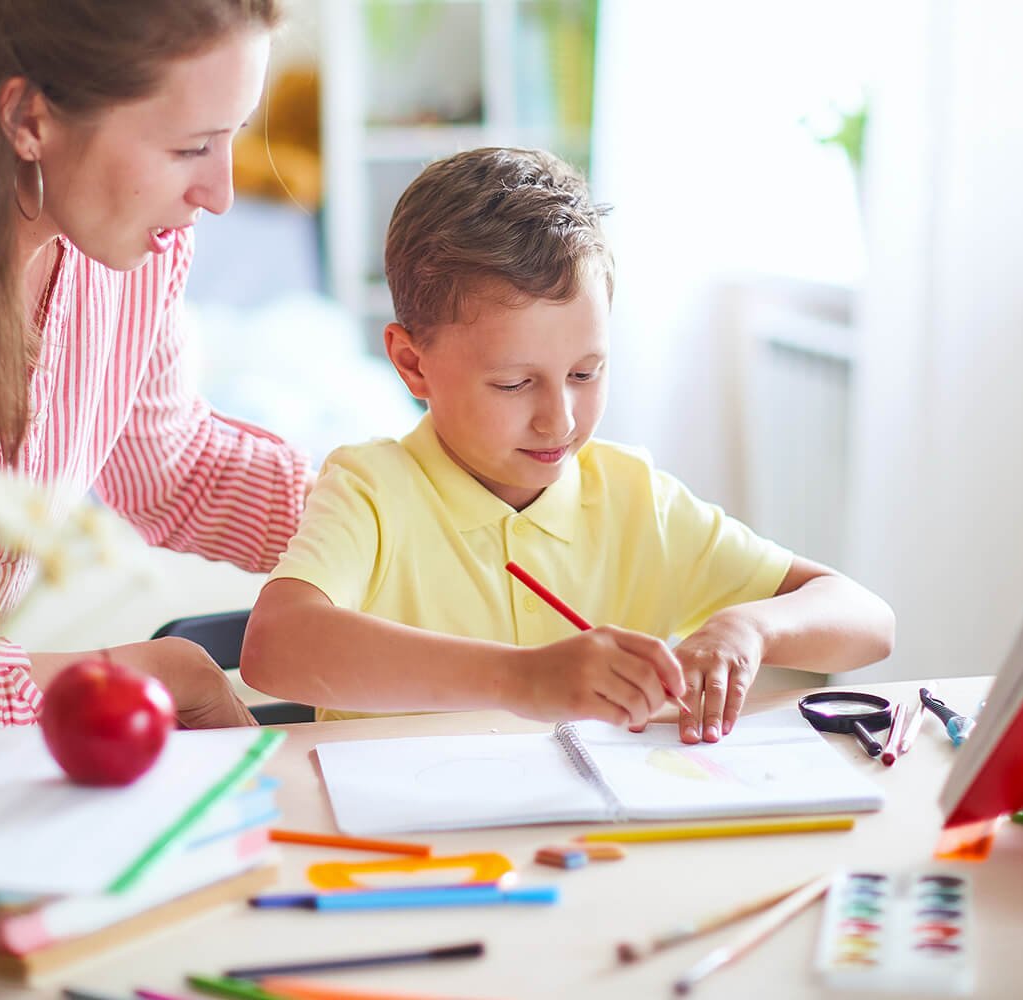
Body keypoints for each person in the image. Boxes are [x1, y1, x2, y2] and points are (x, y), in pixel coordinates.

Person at [241, 147, 895, 743]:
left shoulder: (637, 501)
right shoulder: (370, 490)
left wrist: (750, 628)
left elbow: (867, 621)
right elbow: (276, 647)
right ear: (412, 365)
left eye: (587, 373)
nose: (560, 421)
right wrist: (519, 679)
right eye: (514, 383)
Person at [0, 0, 312, 737]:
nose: (220, 195)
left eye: (233, 138)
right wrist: (149, 673)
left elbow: (174, 469)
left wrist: (420, 517)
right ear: (28, 118)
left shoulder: (126, 246)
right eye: (190, 148)